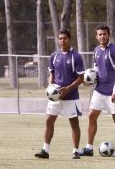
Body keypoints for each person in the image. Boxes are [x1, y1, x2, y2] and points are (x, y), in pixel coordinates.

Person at [34, 29, 85, 159]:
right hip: (55, 97)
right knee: (49, 121)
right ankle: (45, 150)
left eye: (65, 38)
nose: (62, 41)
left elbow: (81, 78)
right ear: (58, 40)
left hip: (71, 96)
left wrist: (67, 89)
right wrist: (51, 87)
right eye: (60, 38)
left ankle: (75, 151)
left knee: (74, 123)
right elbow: (52, 74)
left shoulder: (76, 56)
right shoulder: (54, 56)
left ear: (69, 39)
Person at [79, 25, 115, 156]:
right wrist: (90, 79)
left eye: (104, 34)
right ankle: (89, 148)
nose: (102, 36)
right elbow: (96, 68)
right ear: (96, 36)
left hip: (112, 92)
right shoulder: (96, 50)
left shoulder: (113, 50)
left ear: (108, 35)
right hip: (99, 90)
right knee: (91, 117)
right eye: (100, 34)